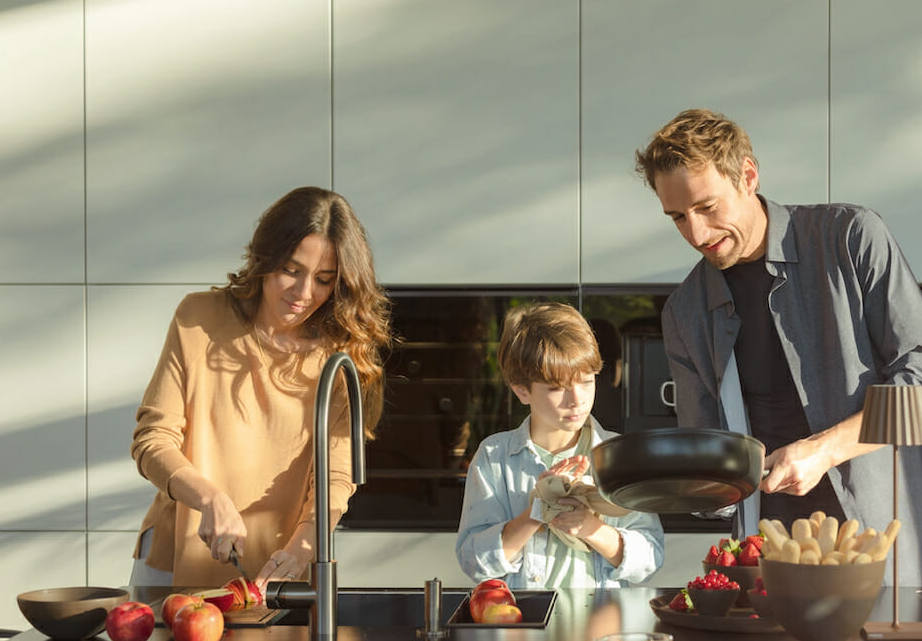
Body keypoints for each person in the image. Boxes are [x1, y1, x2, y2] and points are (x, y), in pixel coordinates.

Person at [635, 109, 922, 586]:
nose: (696, 234)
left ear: (748, 176)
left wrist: (822, 451)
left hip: (886, 534)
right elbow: (707, 457)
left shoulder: (850, 237)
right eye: (677, 217)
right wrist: (647, 489)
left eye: (708, 207)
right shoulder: (685, 312)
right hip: (770, 548)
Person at [130, 186, 394, 588]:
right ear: (264, 258)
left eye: (323, 280)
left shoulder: (339, 355)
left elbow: (336, 477)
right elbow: (152, 440)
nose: (304, 294)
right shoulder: (198, 318)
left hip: (278, 567)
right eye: (291, 270)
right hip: (172, 561)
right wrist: (209, 498)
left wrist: (304, 547)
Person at [455, 302, 664, 588]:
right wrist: (537, 511)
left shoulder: (621, 454)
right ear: (521, 389)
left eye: (587, 382)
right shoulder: (495, 456)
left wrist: (591, 528)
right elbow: (474, 562)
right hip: (525, 626)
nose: (576, 399)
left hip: (601, 626)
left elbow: (651, 558)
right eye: (556, 388)